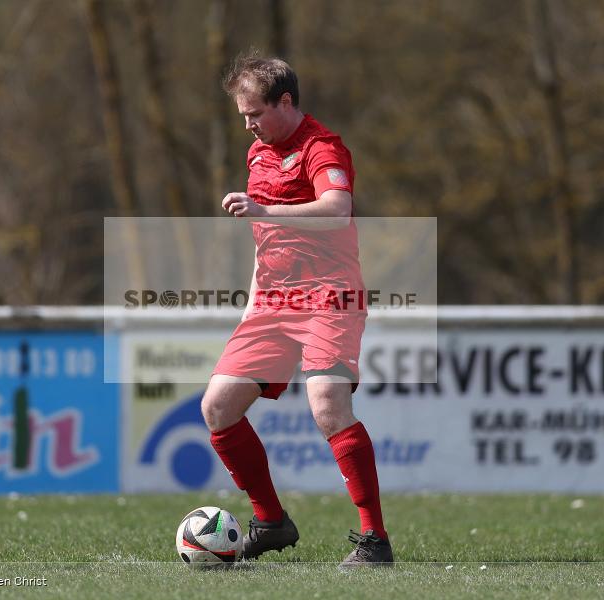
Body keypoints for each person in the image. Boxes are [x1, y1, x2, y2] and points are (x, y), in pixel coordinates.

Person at [202, 52, 393, 567]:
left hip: (329, 295)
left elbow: (338, 209)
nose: (248, 124)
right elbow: (266, 240)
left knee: (328, 408)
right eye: (243, 115)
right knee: (218, 409)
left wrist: (265, 208)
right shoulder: (257, 152)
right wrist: (251, 302)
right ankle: (271, 522)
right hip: (272, 300)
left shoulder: (321, 147)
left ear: (285, 102)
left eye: (256, 113)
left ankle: (375, 541)